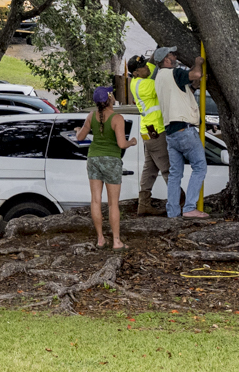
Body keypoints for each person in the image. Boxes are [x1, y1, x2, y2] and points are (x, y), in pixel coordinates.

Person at [154, 47, 208, 222]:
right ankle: (190, 207)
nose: (175, 56)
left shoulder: (159, 78)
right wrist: (198, 63)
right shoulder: (174, 73)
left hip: (171, 132)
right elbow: (195, 74)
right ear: (166, 59)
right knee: (200, 167)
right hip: (184, 128)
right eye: (172, 55)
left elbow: (184, 93)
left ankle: (173, 211)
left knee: (175, 174)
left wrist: (195, 84)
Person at [82, 84, 132, 249]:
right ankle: (116, 241)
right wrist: (131, 142)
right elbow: (121, 144)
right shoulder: (117, 118)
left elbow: (80, 136)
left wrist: (78, 129)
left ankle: (100, 239)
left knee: (96, 200)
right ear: (109, 98)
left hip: (93, 159)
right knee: (113, 204)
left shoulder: (91, 116)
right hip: (111, 160)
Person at [125, 55, 167, 218]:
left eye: (145, 64)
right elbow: (163, 83)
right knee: (167, 169)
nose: (147, 67)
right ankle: (180, 202)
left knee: (149, 170)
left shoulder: (142, 76)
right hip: (155, 131)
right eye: (142, 67)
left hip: (148, 132)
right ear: (135, 73)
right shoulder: (143, 85)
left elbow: (152, 61)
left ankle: (144, 205)